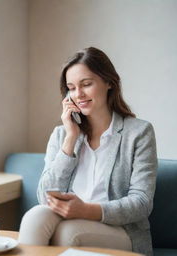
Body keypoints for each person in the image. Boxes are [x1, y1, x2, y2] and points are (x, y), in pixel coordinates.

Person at [18, 47, 157, 256]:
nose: (78, 94)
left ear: (109, 82)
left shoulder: (139, 132)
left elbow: (141, 203)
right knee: (34, 217)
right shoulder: (61, 134)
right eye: (71, 88)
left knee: (69, 233)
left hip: (120, 230)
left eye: (86, 84)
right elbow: (44, 197)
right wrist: (70, 138)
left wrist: (86, 211)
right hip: (69, 220)